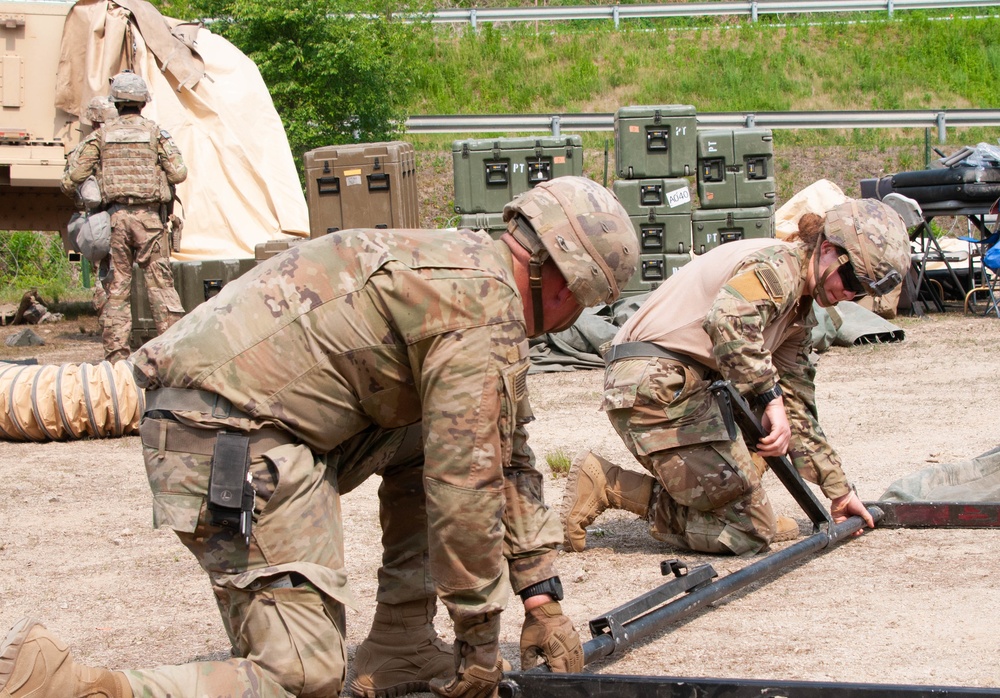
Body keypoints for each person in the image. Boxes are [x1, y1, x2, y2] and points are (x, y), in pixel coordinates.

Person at [0, 176, 639, 698]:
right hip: (221, 437)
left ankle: (402, 645)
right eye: (582, 303)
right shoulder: (481, 308)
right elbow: (466, 488)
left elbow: (504, 454)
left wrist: (541, 600)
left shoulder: (468, 267)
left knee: (430, 433)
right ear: (565, 284)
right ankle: (76, 687)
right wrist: (478, 637)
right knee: (301, 676)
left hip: (254, 421)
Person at [562, 198, 911, 556]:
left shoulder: (798, 311)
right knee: (750, 531)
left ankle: (737, 504)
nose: (850, 293)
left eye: (863, 290)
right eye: (851, 277)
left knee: (771, 423)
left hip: (680, 384)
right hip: (654, 382)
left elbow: (798, 410)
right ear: (826, 249)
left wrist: (840, 491)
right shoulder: (779, 268)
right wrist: (770, 397)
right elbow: (728, 320)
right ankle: (609, 485)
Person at [65, 70, 188, 363]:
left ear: (116, 103)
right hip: (150, 222)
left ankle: (117, 362)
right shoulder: (157, 133)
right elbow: (179, 173)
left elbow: (72, 177)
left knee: (117, 289)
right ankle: (167, 357)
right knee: (161, 288)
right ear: (143, 102)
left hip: (115, 221)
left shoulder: (101, 136)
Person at [62, 95, 119, 337]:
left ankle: (113, 334)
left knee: (107, 280)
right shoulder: (134, 141)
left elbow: (69, 182)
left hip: (102, 224)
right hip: (139, 222)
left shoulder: (89, 146)